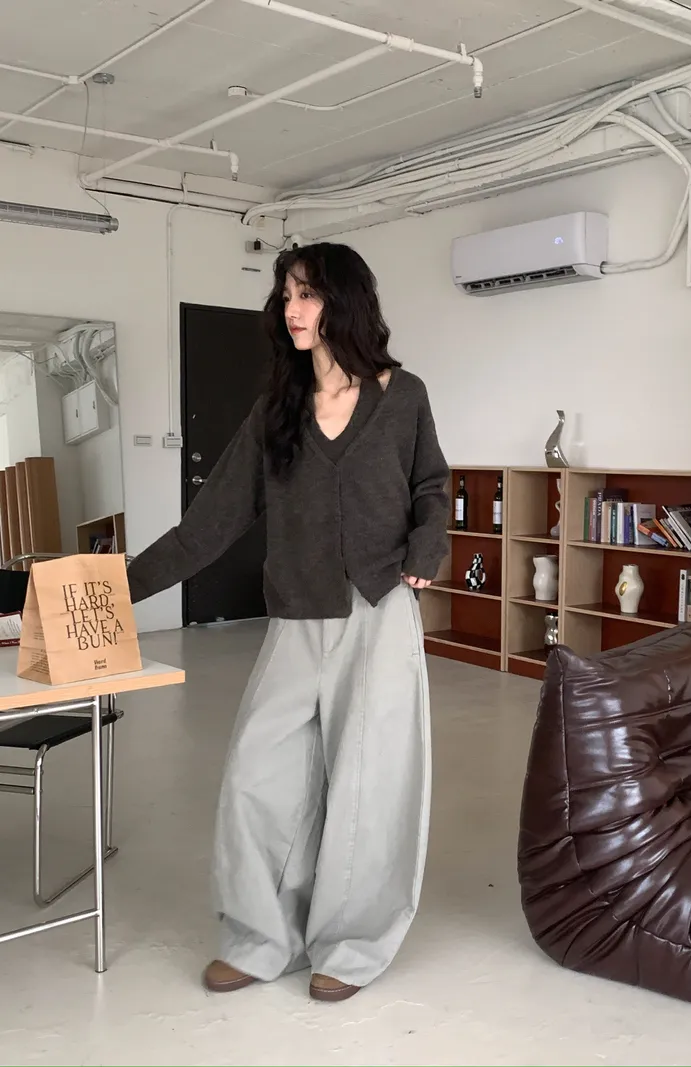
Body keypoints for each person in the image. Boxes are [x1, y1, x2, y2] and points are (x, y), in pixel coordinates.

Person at [126, 241, 449, 1003]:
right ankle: (259, 937)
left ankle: (351, 944)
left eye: (307, 293)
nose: (292, 308)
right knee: (257, 775)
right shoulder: (276, 410)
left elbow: (431, 484)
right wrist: (114, 590)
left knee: (371, 783)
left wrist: (426, 548)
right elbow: (209, 523)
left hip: (377, 611)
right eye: (286, 295)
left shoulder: (403, 395)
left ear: (345, 300)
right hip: (297, 616)